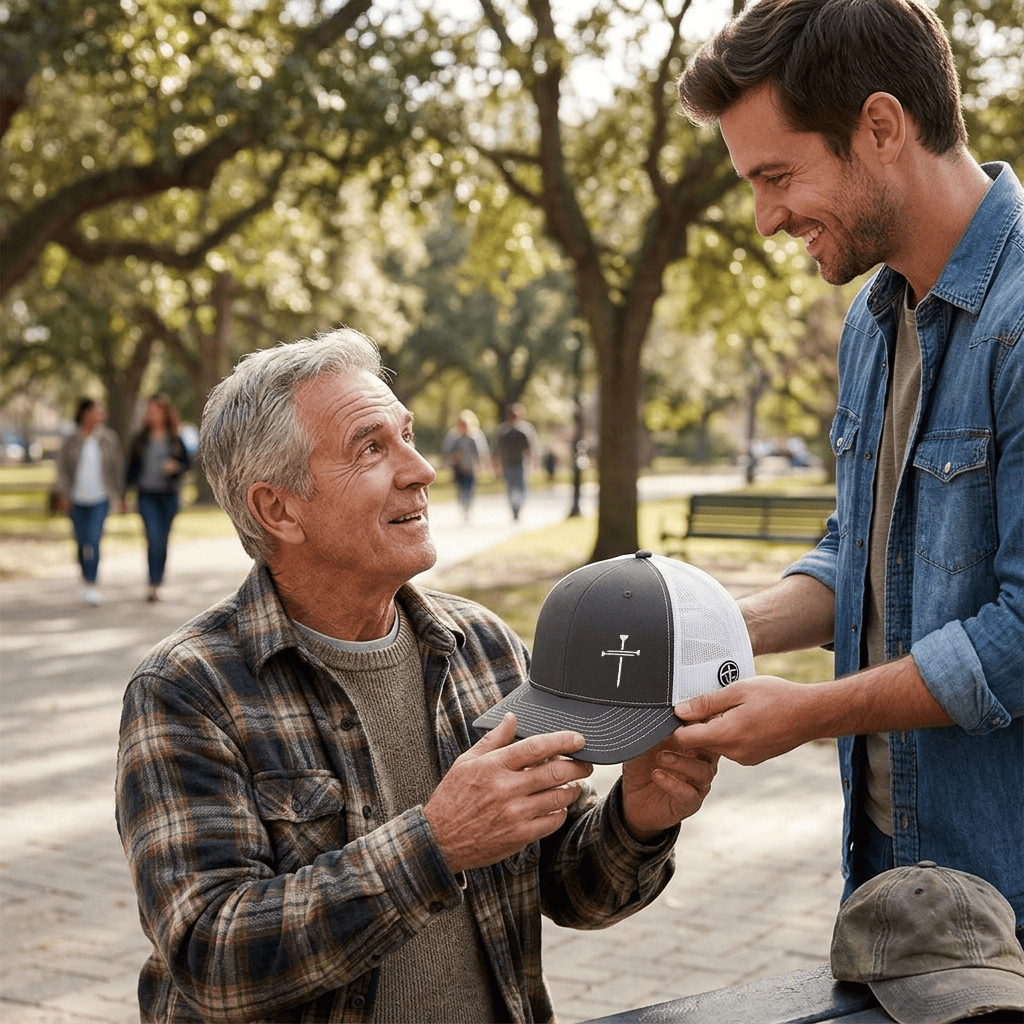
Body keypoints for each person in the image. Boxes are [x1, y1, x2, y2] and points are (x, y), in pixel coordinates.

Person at [115, 329, 719, 1024]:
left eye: (407, 435)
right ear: (278, 508)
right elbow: (214, 960)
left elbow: (574, 888)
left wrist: (639, 819)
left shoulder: (485, 647)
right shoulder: (186, 690)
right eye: (372, 448)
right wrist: (435, 845)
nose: (423, 469)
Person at [671, 0, 1024, 938]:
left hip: (1007, 891)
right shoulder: (873, 323)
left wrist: (808, 712)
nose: (764, 218)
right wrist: (714, 635)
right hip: (887, 863)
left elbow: (1022, 637)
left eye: (777, 175)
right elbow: (860, 554)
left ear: (880, 127)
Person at [53, 398, 125, 606]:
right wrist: (63, 494)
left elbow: (116, 469)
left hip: (100, 499)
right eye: (95, 411)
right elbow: (62, 469)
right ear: (84, 413)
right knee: (81, 541)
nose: (99, 415)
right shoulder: (71, 439)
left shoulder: (108, 438)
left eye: (101, 411)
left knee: (93, 540)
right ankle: (84, 577)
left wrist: (119, 496)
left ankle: (92, 583)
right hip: (76, 499)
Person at [125, 395, 191, 603]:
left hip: (169, 495)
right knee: (153, 538)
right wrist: (124, 494)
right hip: (146, 495)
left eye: (154, 410)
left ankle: (159, 581)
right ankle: (152, 584)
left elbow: (188, 464)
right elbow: (130, 468)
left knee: (162, 540)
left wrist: (176, 467)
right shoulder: (140, 439)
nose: (150, 414)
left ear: (163, 413)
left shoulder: (174, 438)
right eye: (148, 411)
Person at [441, 409, 489, 521]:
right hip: (458, 468)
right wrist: (452, 461)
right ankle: (463, 506)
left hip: (471, 468)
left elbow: (481, 452)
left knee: (470, 489)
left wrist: (482, 466)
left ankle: (468, 506)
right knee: (461, 489)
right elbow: (446, 452)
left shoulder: (476, 437)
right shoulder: (453, 437)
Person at [494, 403, 539, 521]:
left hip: (521, 463)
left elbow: (531, 448)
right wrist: (498, 466)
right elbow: (499, 450)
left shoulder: (526, 430)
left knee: (522, 488)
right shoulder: (503, 431)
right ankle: (514, 510)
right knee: (510, 488)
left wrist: (533, 463)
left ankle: (518, 508)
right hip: (508, 463)